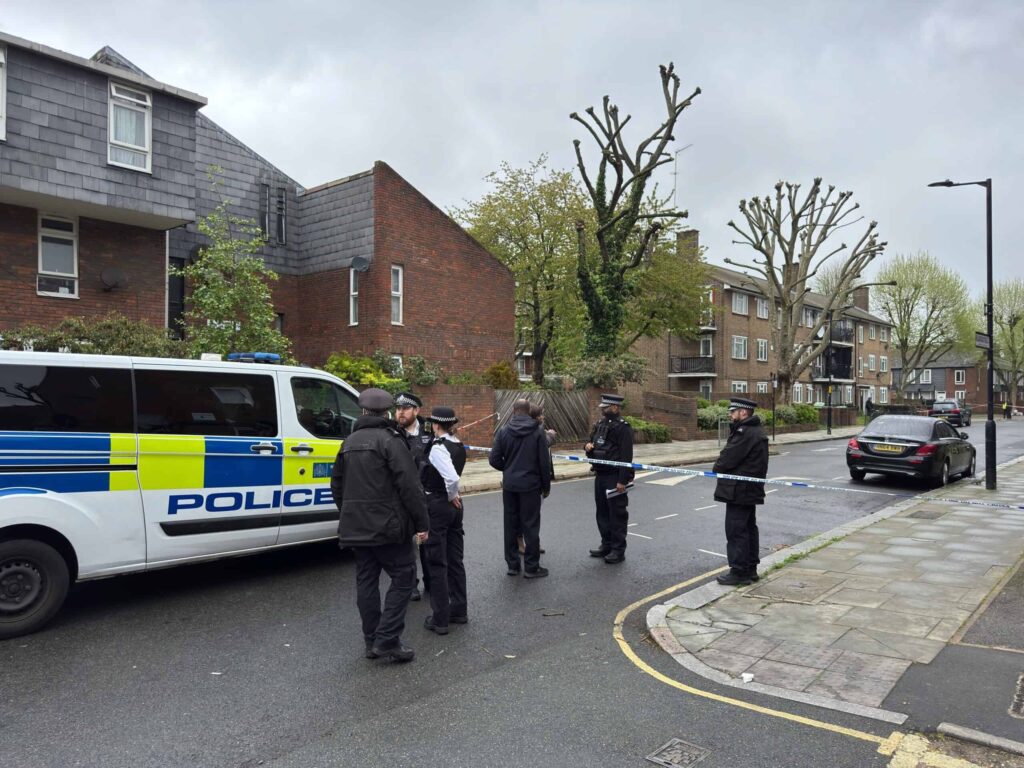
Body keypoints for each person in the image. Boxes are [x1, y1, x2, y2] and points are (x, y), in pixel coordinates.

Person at [331, 388, 428, 663]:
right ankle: (387, 639)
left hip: (356, 527)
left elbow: (336, 485)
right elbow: (410, 486)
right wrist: (422, 523)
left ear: (362, 412)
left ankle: (371, 639)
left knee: (366, 581)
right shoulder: (391, 441)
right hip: (388, 527)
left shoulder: (348, 442)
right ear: (386, 412)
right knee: (404, 577)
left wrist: (349, 513)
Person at [489, 399, 552, 578]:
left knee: (510, 525)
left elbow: (494, 459)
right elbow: (543, 463)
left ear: (513, 411)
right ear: (528, 411)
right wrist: (546, 487)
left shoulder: (503, 431)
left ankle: (513, 566)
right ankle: (532, 568)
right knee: (530, 525)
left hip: (510, 486)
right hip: (531, 486)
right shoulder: (538, 431)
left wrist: (508, 470)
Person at [420, 406, 469, 634]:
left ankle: (440, 618)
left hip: (439, 505)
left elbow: (451, 478)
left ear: (436, 425)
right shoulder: (458, 444)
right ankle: (459, 610)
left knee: (437, 562)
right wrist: (454, 496)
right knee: (455, 559)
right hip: (454, 507)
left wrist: (451, 495)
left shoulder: (438, 447)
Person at [712, 396, 769, 586]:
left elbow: (727, 459)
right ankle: (751, 569)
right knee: (749, 528)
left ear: (743, 412)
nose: (730, 414)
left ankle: (739, 572)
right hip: (749, 490)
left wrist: (717, 467)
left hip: (739, 490)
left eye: (733, 411)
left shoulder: (745, 433)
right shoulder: (755, 431)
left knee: (736, 530)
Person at [584, 394, 634, 564]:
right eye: (602, 407)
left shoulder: (623, 428)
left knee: (617, 514)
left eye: (606, 407)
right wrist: (588, 447)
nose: (602, 410)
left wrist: (622, 480)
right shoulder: (599, 425)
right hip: (601, 475)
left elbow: (627, 456)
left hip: (614, 477)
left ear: (615, 407)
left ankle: (618, 550)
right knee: (602, 513)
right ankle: (606, 544)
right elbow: (592, 445)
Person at [394, 391, 432, 602]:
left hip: (424, 495)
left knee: (427, 541)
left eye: (405, 408)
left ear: (416, 410)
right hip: (399, 498)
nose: (400, 412)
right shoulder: (391, 433)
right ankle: (411, 585)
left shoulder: (428, 434)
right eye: (398, 408)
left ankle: (431, 580)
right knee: (405, 545)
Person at [516, 403, 554, 556]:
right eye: (541, 415)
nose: (543, 417)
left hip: (530, 480)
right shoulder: (534, 432)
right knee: (526, 515)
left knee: (533, 515)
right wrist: (550, 435)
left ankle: (532, 542)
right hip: (530, 481)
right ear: (536, 417)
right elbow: (542, 446)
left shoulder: (537, 430)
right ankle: (520, 543)